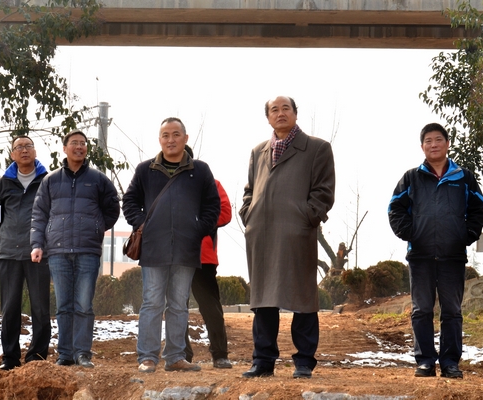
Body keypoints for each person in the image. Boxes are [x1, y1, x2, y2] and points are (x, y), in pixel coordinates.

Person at [238, 95, 335, 379]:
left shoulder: (317, 148)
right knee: (263, 299)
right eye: (274, 110)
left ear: (295, 113)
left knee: (303, 297)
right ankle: (263, 360)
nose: (280, 113)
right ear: (268, 117)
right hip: (261, 234)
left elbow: (324, 190)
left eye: (285, 108)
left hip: (297, 233)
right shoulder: (258, 151)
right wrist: (248, 214)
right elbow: (249, 190)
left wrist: (307, 217)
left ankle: (304, 361)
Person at [388, 123, 483, 379]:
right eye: (428, 141)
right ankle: (425, 362)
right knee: (421, 310)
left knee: (452, 311)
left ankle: (450, 363)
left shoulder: (463, 177)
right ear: (422, 146)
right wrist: (411, 233)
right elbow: (395, 208)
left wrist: (465, 235)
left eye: (438, 139)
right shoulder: (411, 178)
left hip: (452, 256)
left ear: (447, 143)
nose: (434, 144)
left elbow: (479, 208)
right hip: (420, 256)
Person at [122, 117, 220, 374]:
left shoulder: (200, 170)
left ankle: (176, 356)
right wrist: (143, 225)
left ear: (185, 139)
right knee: (152, 302)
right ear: (159, 140)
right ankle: (147, 357)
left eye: (176, 134)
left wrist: (198, 229)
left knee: (179, 303)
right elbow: (129, 201)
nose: (171, 139)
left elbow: (213, 205)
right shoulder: (145, 170)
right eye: (165, 135)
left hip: (187, 249)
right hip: (154, 248)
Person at [30, 130, 120, 369]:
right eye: (74, 143)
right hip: (58, 252)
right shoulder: (51, 180)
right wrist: (37, 244)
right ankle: (65, 354)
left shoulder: (98, 179)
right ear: (65, 148)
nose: (79, 147)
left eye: (83, 143)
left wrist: (96, 227)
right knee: (63, 306)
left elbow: (113, 208)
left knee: (83, 305)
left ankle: (82, 353)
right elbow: (39, 214)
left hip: (88, 251)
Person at [0, 136, 51, 372]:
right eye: (19, 147)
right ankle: (10, 357)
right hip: (9, 252)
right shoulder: (3, 183)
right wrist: (9, 235)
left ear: (35, 151)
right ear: (12, 154)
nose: (24, 150)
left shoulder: (47, 181)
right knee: (10, 307)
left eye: (28, 146)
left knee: (40, 307)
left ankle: (37, 356)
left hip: (38, 252)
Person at [183, 146, 233, 369]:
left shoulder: (211, 183)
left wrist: (197, 224)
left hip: (203, 255)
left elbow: (225, 212)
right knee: (176, 307)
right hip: (172, 256)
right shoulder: (164, 185)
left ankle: (220, 354)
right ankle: (181, 354)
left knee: (210, 306)